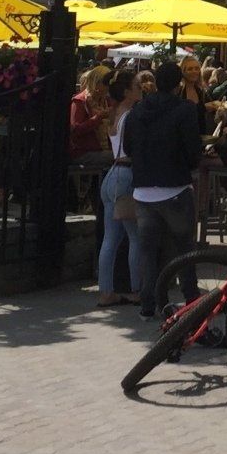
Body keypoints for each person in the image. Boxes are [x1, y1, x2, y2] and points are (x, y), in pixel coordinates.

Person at [124, 61, 206, 319]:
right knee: (185, 249)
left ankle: (148, 304)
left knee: (149, 252)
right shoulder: (185, 110)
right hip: (175, 187)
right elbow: (194, 151)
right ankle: (192, 299)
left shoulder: (137, 110)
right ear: (178, 83)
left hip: (143, 190)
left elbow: (128, 147)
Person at [95, 69, 145, 308]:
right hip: (126, 174)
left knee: (110, 238)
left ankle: (106, 291)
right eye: (136, 86)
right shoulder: (131, 116)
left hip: (112, 175)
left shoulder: (115, 114)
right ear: (127, 91)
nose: (141, 89)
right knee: (134, 236)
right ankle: (136, 289)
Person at [70, 65, 115, 168]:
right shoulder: (80, 102)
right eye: (106, 83)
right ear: (96, 82)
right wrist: (98, 118)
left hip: (102, 149)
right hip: (83, 152)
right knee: (117, 158)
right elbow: (75, 130)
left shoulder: (106, 101)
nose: (108, 87)